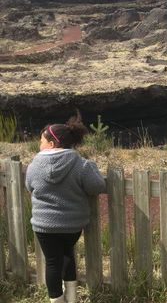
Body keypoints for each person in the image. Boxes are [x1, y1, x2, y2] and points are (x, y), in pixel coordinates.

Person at [26, 113, 106, 303]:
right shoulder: (80, 164)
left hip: (44, 226)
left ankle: (57, 301)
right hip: (72, 226)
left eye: (42, 141)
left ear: (52, 143)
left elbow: (30, 187)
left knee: (53, 263)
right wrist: (91, 165)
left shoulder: (34, 166)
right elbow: (97, 187)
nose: (39, 144)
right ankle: (72, 299)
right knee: (68, 256)